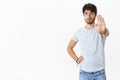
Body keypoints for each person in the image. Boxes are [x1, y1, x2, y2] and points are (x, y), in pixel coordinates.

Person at [67, 3, 109, 80]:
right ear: (83, 15)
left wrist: (103, 31)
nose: (88, 16)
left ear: (95, 15)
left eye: (91, 13)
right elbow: (69, 48)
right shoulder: (79, 32)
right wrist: (76, 59)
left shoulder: (99, 29)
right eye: (86, 13)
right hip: (84, 73)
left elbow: (105, 33)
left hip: (99, 73)